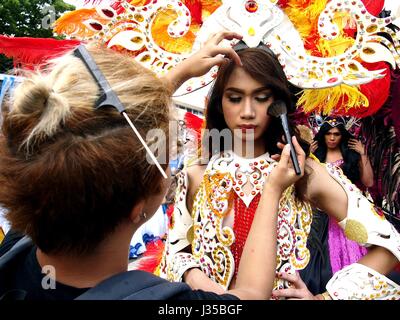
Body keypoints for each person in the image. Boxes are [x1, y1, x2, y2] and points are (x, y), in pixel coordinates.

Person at [0, 32, 312, 300]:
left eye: (260, 97)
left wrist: (176, 75)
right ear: (141, 206)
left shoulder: (15, 250)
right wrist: (272, 191)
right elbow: (250, 296)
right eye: (162, 157)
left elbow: (72, 135)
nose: (247, 111)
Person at [159, 43, 400, 300]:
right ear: (219, 103)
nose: (248, 112)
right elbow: (175, 250)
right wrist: (198, 278)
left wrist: (324, 298)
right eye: (235, 98)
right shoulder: (198, 173)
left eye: (261, 98)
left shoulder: (303, 173)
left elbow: (390, 245)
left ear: (278, 105)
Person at [299, 119, 375, 294]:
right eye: (328, 133)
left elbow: (369, 182)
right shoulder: (315, 156)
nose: (332, 138)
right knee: (317, 266)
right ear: (323, 134)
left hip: (347, 216)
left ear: (343, 135)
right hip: (319, 218)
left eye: (336, 134)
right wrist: (307, 157)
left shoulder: (351, 156)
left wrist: (363, 155)